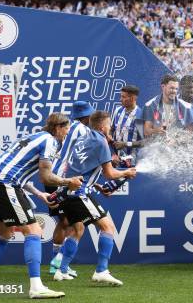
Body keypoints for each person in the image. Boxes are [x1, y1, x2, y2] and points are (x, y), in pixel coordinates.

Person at [0, 113, 83, 299]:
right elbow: (46, 176)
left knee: (4, 232)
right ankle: (36, 287)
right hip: (5, 184)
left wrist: (39, 194)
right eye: (66, 129)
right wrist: (69, 182)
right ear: (58, 127)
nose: (67, 133)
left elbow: (17, 169)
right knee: (34, 231)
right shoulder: (50, 140)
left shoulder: (33, 136)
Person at [53, 111, 137, 284]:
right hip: (78, 193)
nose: (111, 128)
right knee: (108, 228)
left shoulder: (84, 138)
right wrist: (127, 172)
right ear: (101, 126)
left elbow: (82, 165)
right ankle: (101, 270)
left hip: (68, 191)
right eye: (109, 125)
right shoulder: (101, 141)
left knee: (77, 230)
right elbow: (110, 173)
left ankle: (61, 271)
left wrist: (94, 184)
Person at [48, 100, 95, 276]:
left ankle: (56, 265)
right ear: (87, 116)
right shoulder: (82, 129)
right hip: (64, 178)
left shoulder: (71, 127)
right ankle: (59, 265)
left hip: (54, 175)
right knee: (75, 226)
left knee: (65, 222)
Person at [111, 85, 143, 162]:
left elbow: (145, 142)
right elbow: (111, 130)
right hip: (117, 160)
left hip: (132, 162)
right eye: (121, 96)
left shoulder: (140, 116)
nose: (120, 99)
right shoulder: (118, 110)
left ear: (132, 98)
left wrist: (125, 144)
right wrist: (112, 154)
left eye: (123, 97)